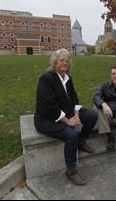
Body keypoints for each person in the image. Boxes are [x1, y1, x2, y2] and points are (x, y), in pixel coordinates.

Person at [34, 49, 97, 185]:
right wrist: (68, 121)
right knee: (71, 135)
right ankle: (71, 171)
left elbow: (75, 98)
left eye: (67, 61)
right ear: (55, 62)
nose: (65, 63)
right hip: (47, 120)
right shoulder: (46, 79)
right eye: (62, 60)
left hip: (68, 113)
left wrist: (76, 116)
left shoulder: (68, 79)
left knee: (92, 116)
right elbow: (49, 106)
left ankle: (81, 142)